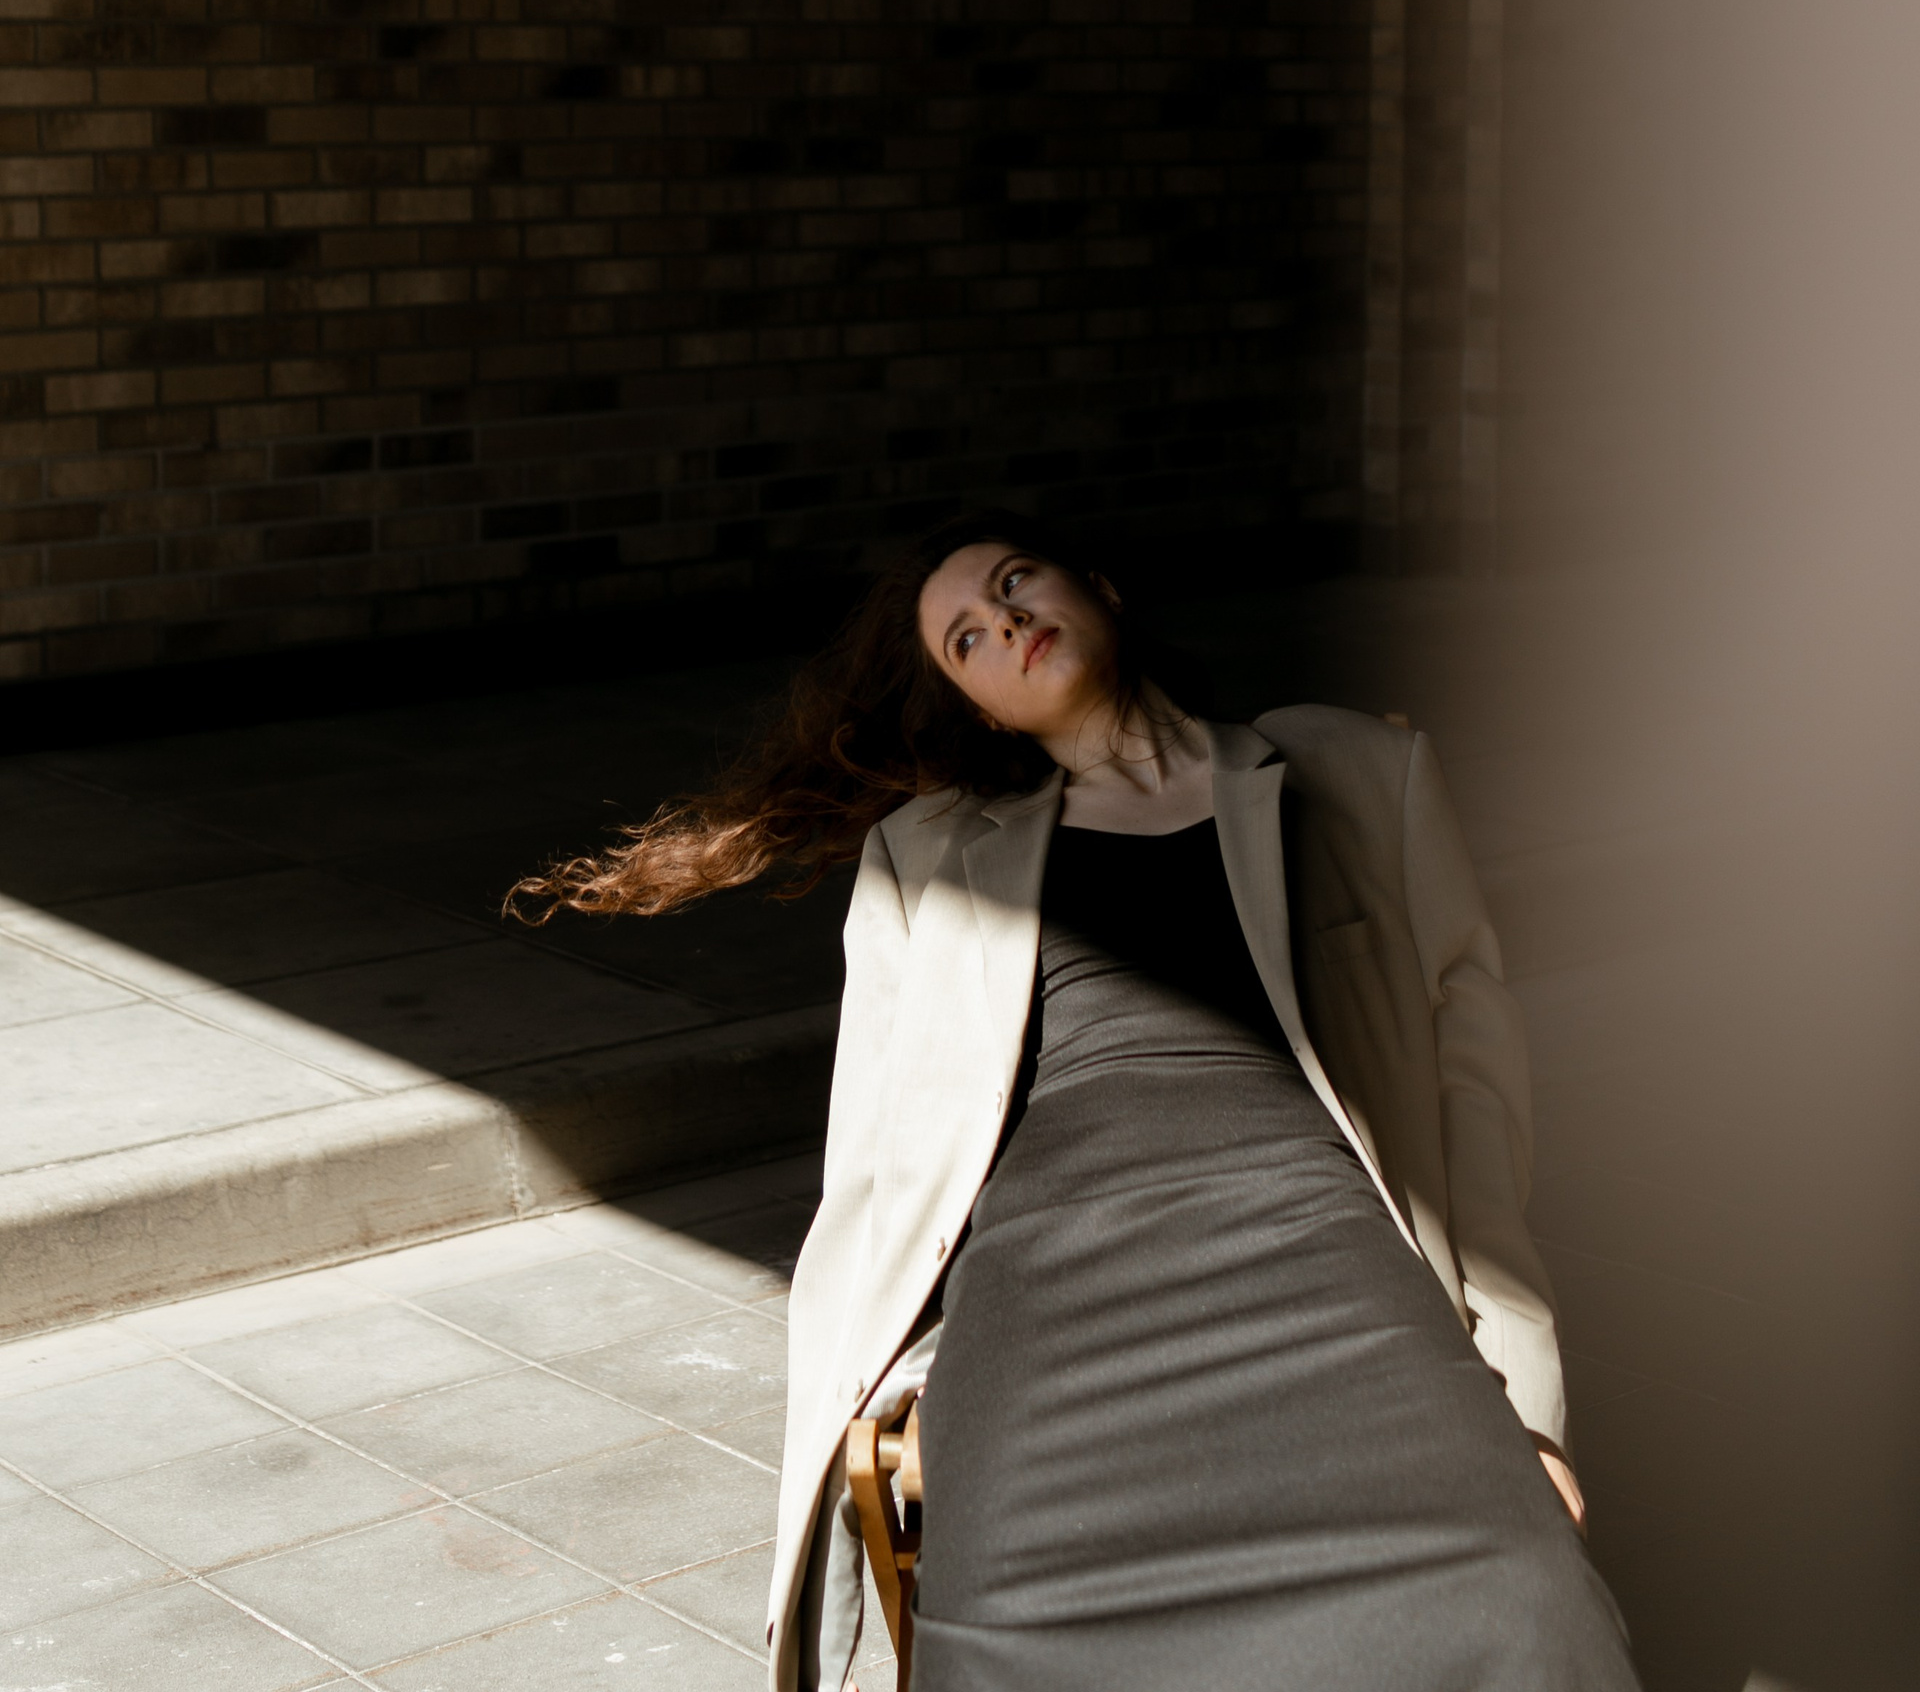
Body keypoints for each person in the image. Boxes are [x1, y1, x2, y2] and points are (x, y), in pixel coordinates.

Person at [512, 513, 1640, 1692]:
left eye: (1015, 582)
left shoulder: (1351, 767)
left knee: (1520, 1592)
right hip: (1054, 1266)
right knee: (1012, 1618)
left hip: (1317, 1236)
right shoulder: (926, 854)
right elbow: (877, 1160)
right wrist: (887, 1372)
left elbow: (1473, 1086)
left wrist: (1527, 1399)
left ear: (1098, 587)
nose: (1004, 622)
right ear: (981, 710)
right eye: (965, 637)